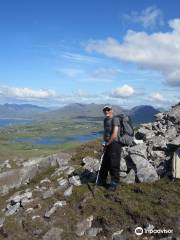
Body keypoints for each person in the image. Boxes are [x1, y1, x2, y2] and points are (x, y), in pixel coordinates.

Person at [98, 105, 121, 191]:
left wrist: (107, 143)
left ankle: (114, 183)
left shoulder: (115, 119)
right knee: (105, 162)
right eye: (105, 110)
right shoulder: (105, 120)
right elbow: (105, 132)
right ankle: (102, 180)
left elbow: (114, 135)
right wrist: (104, 143)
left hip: (115, 144)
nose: (106, 111)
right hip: (107, 143)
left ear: (111, 110)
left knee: (114, 164)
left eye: (108, 109)